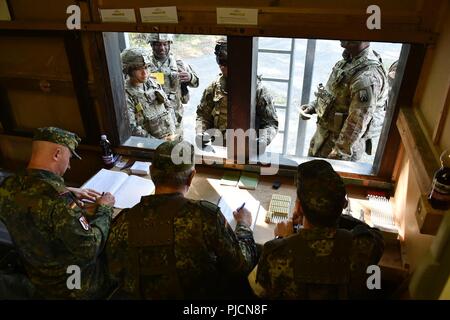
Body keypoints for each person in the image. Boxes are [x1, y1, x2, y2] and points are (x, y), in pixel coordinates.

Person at [106, 140, 258, 299]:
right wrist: (244, 225)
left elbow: (114, 271)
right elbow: (242, 265)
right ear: (192, 176)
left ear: (151, 172)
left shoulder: (124, 221)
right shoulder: (205, 218)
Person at [0, 127, 116, 299]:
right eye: (69, 158)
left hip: (36, 275)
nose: (69, 166)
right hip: (72, 283)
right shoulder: (59, 201)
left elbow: (33, 195)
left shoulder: (8, 185)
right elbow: (90, 247)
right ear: (57, 154)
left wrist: (67, 190)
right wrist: (105, 208)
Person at [249, 159, 384, 299]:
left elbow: (256, 288)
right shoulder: (365, 245)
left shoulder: (276, 252)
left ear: (299, 208)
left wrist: (283, 239)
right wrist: (335, 213)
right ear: (343, 205)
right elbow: (374, 234)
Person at [299, 41, 388, 161]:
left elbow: (357, 122)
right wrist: (314, 106)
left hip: (339, 149)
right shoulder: (348, 61)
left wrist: (338, 155)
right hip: (324, 139)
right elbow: (334, 95)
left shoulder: (367, 76)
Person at [195, 37, 279, 152]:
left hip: (246, 151)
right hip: (219, 150)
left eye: (225, 62)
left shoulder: (258, 90)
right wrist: (200, 133)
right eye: (219, 61)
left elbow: (270, 123)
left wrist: (264, 140)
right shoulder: (214, 88)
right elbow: (203, 115)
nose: (221, 66)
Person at [121, 47, 177, 140]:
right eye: (139, 69)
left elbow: (168, 106)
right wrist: (157, 142)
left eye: (146, 67)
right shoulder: (126, 94)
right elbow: (133, 128)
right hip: (150, 146)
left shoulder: (153, 82)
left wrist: (172, 130)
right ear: (128, 70)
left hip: (170, 137)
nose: (145, 73)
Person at [147, 33, 199, 134]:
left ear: (169, 44)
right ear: (152, 45)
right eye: (157, 44)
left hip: (175, 116)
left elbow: (196, 83)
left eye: (165, 44)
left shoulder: (179, 64)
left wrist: (190, 77)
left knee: (177, 146)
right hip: (153, 119)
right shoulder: (145, 65)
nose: (162, 48)